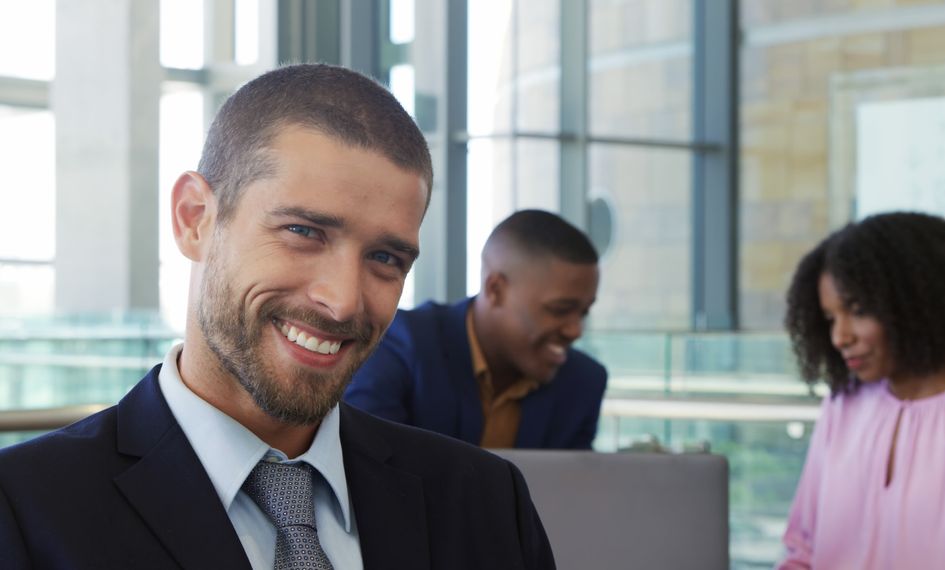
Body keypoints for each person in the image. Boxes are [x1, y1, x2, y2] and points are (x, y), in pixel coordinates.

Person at [0, 64, 555, 569]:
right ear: (195, 219)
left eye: (385, 259)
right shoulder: (24, 511)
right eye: (303, 232)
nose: (342, 301)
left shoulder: (485, 502)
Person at [778, 211, 945, 569]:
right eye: (830, 319)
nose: (841, 337)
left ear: (916, 303)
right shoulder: (844, 404)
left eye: (858, 310)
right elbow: (802, 551)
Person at [344, 209, 607, 449]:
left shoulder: (584, 382)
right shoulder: (400, 346)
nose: (575, 331)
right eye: (559, 310)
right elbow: (368, 471)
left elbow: (574, 493)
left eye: (583, 312)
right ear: (496, 290)